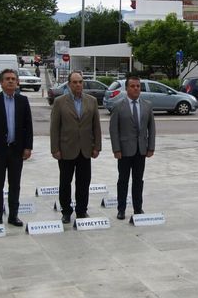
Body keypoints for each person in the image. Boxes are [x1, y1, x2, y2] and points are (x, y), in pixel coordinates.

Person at [0, 69, 33, 226]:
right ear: (1, 82)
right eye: (7, 79)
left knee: (15, 184)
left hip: (16, 150)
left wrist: (28, 147)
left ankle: (13, 216)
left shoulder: (23, 101)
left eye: (13, 79)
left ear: (17, 82)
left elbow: (28, 126)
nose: (11, 81)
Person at [50, 71, 102, 223]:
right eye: (75, 82)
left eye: (80, 82)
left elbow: (96, 126)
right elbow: (54, 128)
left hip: (85, 149)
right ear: (69, 84)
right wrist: (55, 149)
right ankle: (66, 211)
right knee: (65, 182)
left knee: (84, 182)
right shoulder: (60, 102)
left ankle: (81, 210)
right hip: (66, 149)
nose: (78, 85)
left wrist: (97, 146)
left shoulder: (91, 101)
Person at [109, 76, 156, 220]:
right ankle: (121, 209)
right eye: (133, 86)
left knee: (138, 180)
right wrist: (116, 149)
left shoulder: (147, 105)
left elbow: (151, 128)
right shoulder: (118, 106)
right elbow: (113, 130)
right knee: (123, 180)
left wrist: (151, 147)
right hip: (124, 151)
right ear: (127, 88)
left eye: (138, 86)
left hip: (141, 150)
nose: (136, 88)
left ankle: (138, 208)